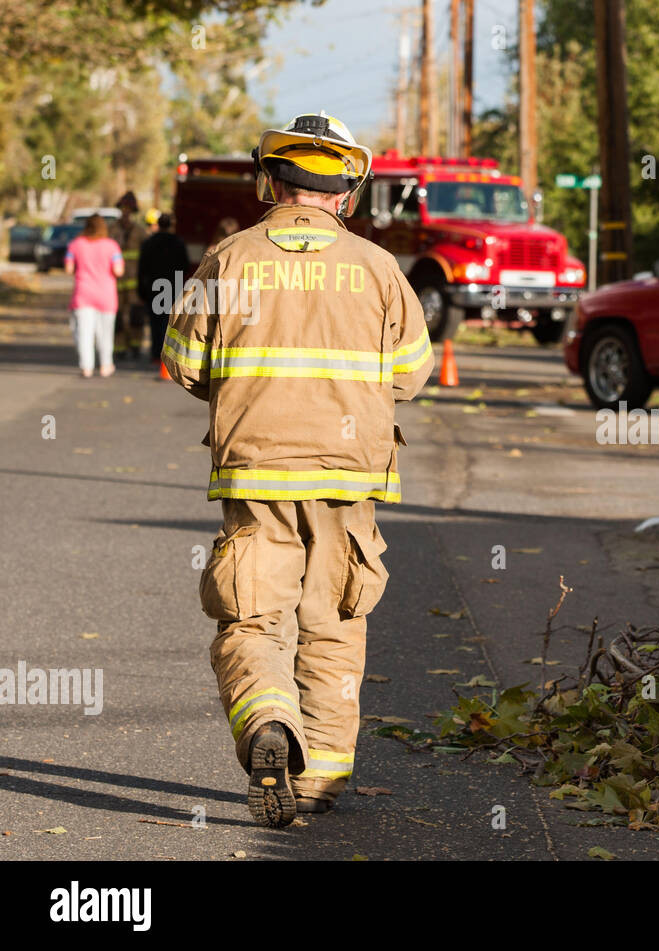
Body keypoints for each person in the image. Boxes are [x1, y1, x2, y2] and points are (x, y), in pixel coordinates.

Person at [162, 112, 434, 828]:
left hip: (257, 472)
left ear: (270, 182)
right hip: (350, 477)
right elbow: (411, 375)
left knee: (253, 615)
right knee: (336, 621)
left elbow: (184, 363)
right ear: (344, 193)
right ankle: (320, 784)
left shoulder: (229, 259)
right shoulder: (379, 269)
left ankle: (267, 723)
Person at [64, 214, 124, 378]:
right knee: (106, 333)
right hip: (106, 294)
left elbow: (69, 269)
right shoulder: (112, 246)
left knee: (84, 332)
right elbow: (119, 270)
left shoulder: (75, 245)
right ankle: (106, 365)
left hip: (83, 293)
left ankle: (87, 367)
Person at [137, 213, 189, 367]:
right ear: (171, 225)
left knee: (155, 322)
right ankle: (168, 354)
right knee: (170, 322)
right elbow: (185, 265)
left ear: (158, 225)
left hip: (153, 288)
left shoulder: (149, 243)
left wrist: (141, 290)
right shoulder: (178, 243)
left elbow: (142, 268)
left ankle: (155, 354)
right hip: (173, 287)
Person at [110, 191, 149, 359]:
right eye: (123, 208)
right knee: (117, 317)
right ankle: (119, 348)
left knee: (136, 317)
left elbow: (147, 256)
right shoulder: (111, 230)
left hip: (135, 283)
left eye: (129, 209)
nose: (126, 212)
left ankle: (135, 346)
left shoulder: (140, 231)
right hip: (115, 282)